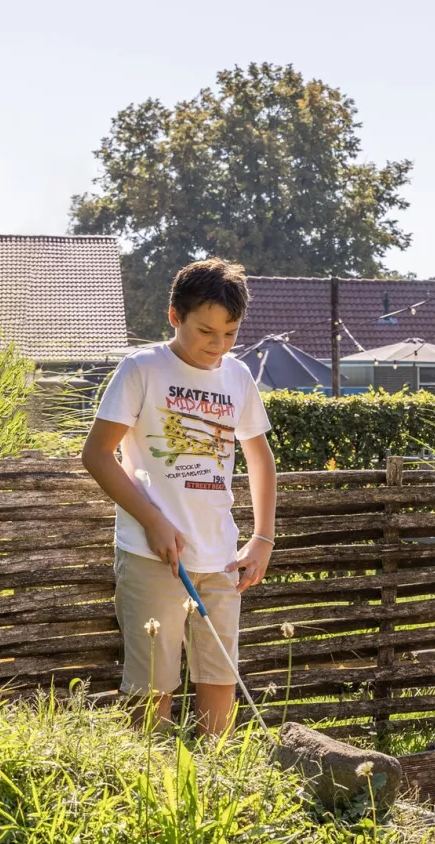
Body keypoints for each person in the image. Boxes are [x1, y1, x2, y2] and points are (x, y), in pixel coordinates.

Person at [81, 258, 277, 736]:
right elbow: (97, 455)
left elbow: (261, 459)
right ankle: (153, 790)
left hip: (221, 559)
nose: (218, 345)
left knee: (220, 680)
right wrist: (151, 520)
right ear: (175, 316)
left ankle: (215, 786)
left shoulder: (237, 377)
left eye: (230, 334)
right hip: (154, 555)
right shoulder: (142, 369)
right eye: (206, 331)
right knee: (153, 688)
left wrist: (262, 539)